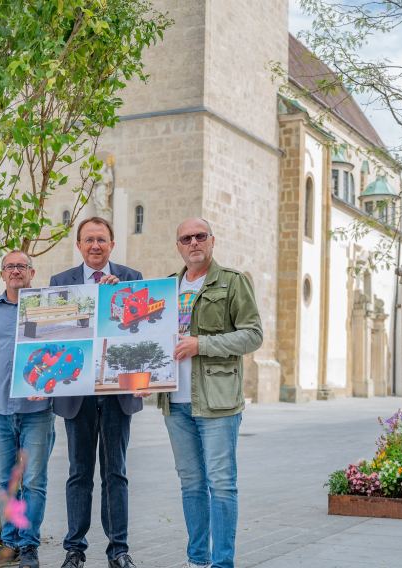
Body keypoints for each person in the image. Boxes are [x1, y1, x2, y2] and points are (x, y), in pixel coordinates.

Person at [159, 218, 263, 568]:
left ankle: (222, 563)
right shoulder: (166, 288)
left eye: (199, 236)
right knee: (190, 484)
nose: (193, 243)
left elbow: (253, 335)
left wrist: (201, 344)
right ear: (179, 246)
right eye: (185, 238)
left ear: (212, 241)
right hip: (174, 402)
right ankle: (196, 560)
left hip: (217, 402)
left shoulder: (232, 282)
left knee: (221, 485)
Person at [50, 217, 143, 568]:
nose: (95, 246)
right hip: (78, 393)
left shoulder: (131, 279)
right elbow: (53, 336)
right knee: (79, 472)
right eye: (88, 240)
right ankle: (75, 548)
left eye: (101, 240)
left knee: (115, 472)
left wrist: (119, 300)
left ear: (112, 244)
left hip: (118, 392)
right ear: (78, 245)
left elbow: (140, 333)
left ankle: (119, 548)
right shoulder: (61, 283)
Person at [0, 251, 55, 568]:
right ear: (2, 273)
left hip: (37, 410)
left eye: (22, 266)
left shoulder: (47, 307)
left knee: (34, 480)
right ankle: (9, 544)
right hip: (1, 411)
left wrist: (50, 384)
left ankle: (29, 545)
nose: (16, 271)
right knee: (6, 480)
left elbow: (62, 348)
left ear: (31, 273)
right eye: (10, 267)